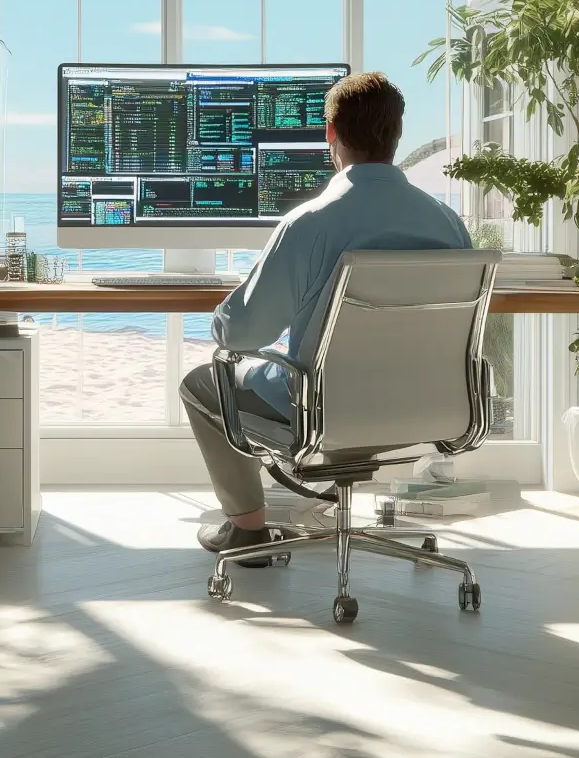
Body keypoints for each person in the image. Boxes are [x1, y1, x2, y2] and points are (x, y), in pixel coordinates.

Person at [182, 71, 473, 563]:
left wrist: (224, 315)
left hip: (325, 411)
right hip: (429, 409)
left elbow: (242, 333)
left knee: (202, 381)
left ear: (330, 133)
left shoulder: (310, 222)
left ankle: (248, 532)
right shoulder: (448, 223)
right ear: (397, 134)